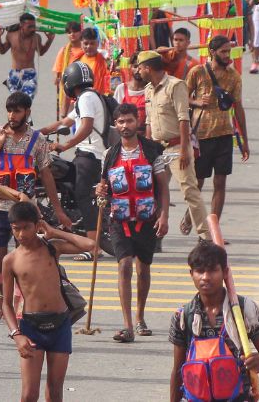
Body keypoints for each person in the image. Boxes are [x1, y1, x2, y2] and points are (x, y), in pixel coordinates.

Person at [0, 93, 73, 299]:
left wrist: (58, 210)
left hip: (25, 210)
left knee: (26, 258)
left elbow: (46, 174)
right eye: (9, 110)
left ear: (27, 112)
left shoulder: (37, 140)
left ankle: (25, 299)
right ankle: (5, 299)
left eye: (17, 111)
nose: (12, 115)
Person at [1, 201, 95, 402]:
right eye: (16, 229)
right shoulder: (10, 260)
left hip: (60, 325)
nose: (21, 234)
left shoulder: (52, 248)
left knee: (54, 392)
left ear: (37, 225)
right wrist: (17, 335)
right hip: (31, 327)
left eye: (26, 227)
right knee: (29, 395)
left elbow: (91, 245)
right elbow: (6, 304)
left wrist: (54, 232)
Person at [93, 103, 171, 343]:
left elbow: (163, 187)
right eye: (120, 122)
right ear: (115, 125)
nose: (125, 126)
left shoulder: (152, 151)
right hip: (119, 221)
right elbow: (103, 189)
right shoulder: (110, 155)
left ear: (138, 122)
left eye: (129, 121)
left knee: (143, 268)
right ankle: (127, 325)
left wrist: (164, 215)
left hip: (147, 220)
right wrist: (100, 192)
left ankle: (140, 317)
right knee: (125, 264)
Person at [168, 240, 259, 402]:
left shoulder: (245, 309)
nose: (205, 277)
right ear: (192, 274)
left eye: (212, 270)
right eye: (199, 271)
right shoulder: (183, 317)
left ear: (224, 272)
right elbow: (178, 371)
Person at [40, 62, 110, 258]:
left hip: (91, 154)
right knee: (68, 183)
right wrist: (37, 133)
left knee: (84, 196)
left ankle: (92, 247)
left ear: (69, 81)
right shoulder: (86, 97)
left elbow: (86, 127)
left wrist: (65, 145)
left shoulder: (86, 98)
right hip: (86, 154)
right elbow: (64, 122)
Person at [137, 50, 207, 239]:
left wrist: (185, 150)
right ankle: (153, 234)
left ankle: (205, 236)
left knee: (190, 192)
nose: (138, 71)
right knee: (153, 192)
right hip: (157, 149)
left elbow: (184, 120)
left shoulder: (176, 86)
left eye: (140, 67)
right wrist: (148, 151)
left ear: (148, 68)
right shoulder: (149, 89)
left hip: (177, 147)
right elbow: (149, 122)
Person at [186, 35, 250, 222]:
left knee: (220, 182)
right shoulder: (197, 72)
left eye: (228, 51)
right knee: (198, 182)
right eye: (223, 51)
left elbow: (238, 108)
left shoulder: (233, 77)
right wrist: (196, 101)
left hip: (224, 134)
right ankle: (192, 216)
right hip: (201, 135)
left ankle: (214, 227)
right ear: (212, 52)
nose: (227, 55)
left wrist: (244, 141)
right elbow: (182, 96)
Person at [0, 13, 57, 99]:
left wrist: (50, 40)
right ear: (21, 25)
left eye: (34, 26)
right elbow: (2, 51)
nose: (33, 29)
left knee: (26, 100)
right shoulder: (11, 35)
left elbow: (41, 52)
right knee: (15, 103)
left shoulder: (36, 37)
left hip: (30, 74)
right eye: (30, 27)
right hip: (14, 74)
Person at [113, 53, 149, 126]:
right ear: (130, 67)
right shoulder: (121, 89)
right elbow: (115, 114)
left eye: (141, 67)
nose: (138, 70)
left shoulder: (151, 89)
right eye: (135, 66)